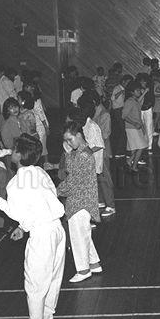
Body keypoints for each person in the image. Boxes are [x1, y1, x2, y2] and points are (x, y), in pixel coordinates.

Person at [0, 134, 66, 319]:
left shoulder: (16, 183)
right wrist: (23, 227)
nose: (11, 152)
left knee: (35, 285)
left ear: (19, 154)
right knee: (53, 278)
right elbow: (44, 201)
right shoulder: (40, 172)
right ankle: (46, 316)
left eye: (13, 149)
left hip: (42, 234)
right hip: (57, 228)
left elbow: (16, 211)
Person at [57, 121, 102, 284]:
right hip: (84, 200)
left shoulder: (81, 155)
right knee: (84, 234)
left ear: (79, 135)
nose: (68, 143)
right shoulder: (83, 151)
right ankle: (94, 263)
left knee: (78, 237)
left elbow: (72, 179)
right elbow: (73, 173)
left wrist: (56, 191)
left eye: (70, 139)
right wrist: (69, 153)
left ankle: (83, 270)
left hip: (79, 201)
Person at [123, 81, 148, 171]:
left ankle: (131, 163)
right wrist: (134, 123)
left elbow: (138, 116)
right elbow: (124, 116)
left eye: (139, 90)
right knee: (141, 146)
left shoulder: (135, 101)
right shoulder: (129, 102)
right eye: (137, 91)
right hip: (131, 128)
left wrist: (142, 127)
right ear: (132, 92)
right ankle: (132, 164)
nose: (139, 92)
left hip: (136, 127)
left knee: (135, 148)